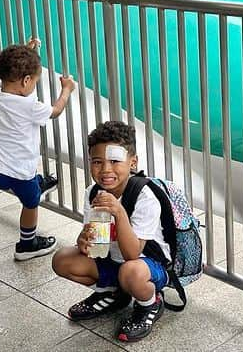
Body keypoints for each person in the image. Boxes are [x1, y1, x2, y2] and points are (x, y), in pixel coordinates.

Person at [51, 121, 170, 343]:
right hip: (115, 260)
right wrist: (84, 240)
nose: (106, 169)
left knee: (131, 271)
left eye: (115, 161)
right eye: (97, 162)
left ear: (132, 162)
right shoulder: (94, 192)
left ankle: (150, 302)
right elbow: (98, 246)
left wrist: (119, 212)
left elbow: (132, 254)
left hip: (147, 265)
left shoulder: (145, 196)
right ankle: (114, 293)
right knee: (62, 260)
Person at [0, 37, 75, 261]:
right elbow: (55, 111)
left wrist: (27, 51)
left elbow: (14, 75)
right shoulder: (30, 106)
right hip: (17, 172)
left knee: (26, 184)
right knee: (31, 202)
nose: (34, 86)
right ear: (26, 81)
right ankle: (27, 244)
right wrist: (67, 90)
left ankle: (37, 184)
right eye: (34, 82)